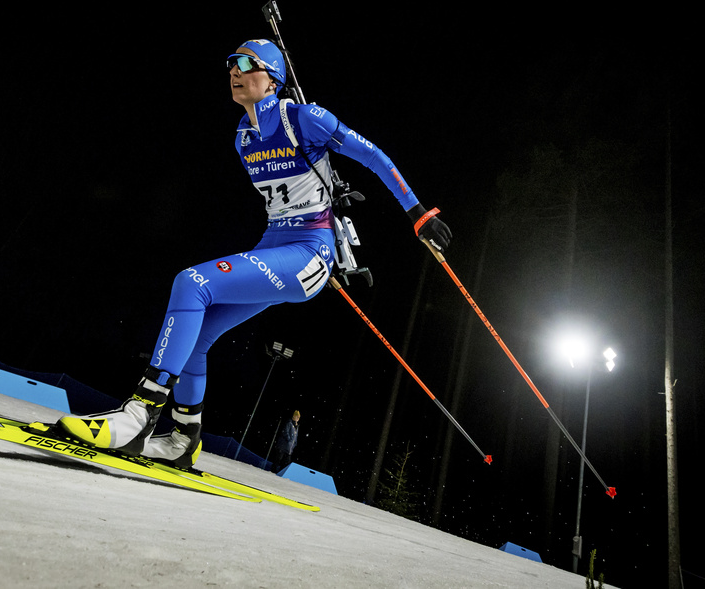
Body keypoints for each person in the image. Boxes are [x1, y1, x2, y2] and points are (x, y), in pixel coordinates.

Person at [56, 38, 451, 468]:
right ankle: (184, 437)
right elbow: (295, 198)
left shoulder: (304, 117)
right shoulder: (243, 137)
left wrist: (418, 214)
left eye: (248, 63)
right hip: (276, 245)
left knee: (192, 283)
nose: (235, 69)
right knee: (198, 338)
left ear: (274, 78)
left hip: (309, 250)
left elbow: (373, 157)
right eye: (231, 63)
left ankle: (139, 414)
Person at [270, 410, 301, 474]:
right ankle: (272, 472)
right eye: (296, 417)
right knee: (278, 459)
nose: (297, 418)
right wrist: (289, 439)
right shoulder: (289, 423)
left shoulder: (296, 427)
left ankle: (281, 473)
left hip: (289, 448)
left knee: (286, 462)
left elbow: (295, 437)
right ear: (293, 416)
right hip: (283, 446)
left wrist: (295, 443)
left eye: (298, 417)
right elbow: (285, 432)